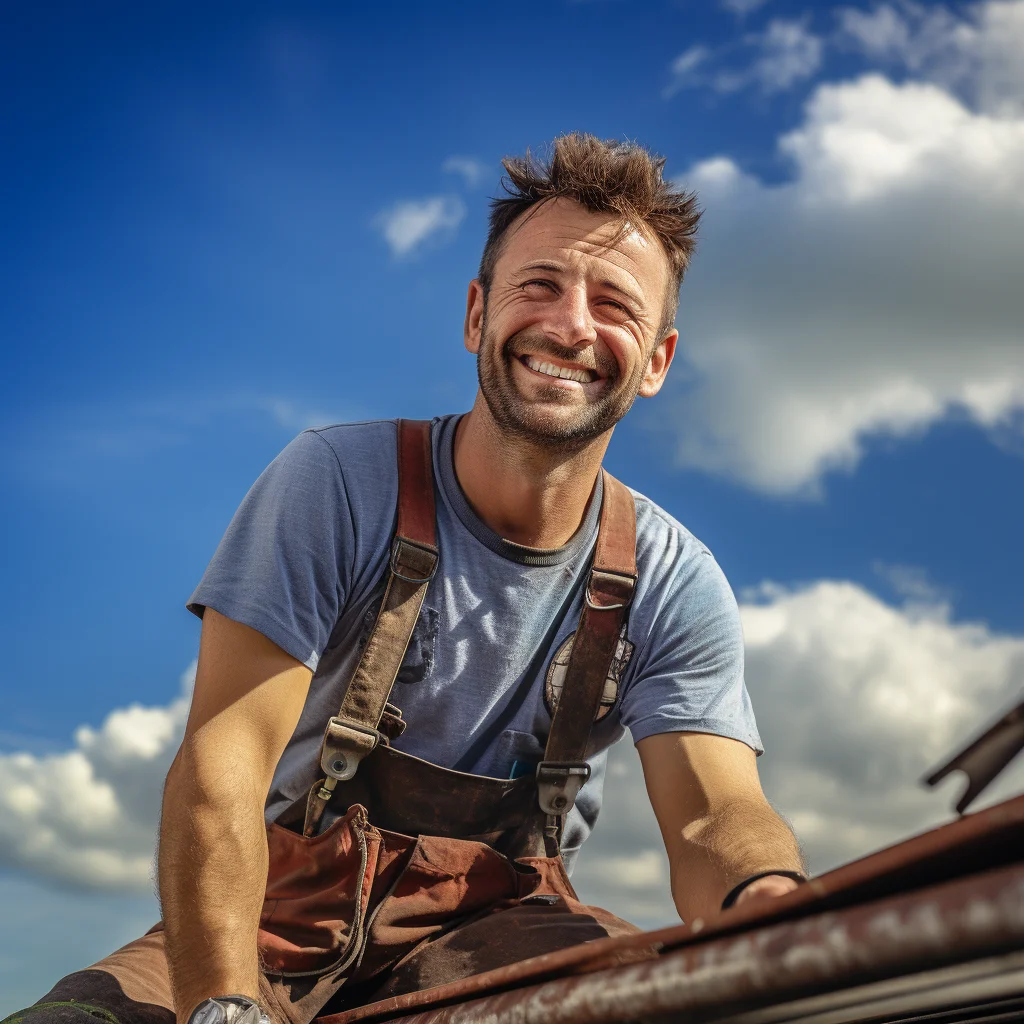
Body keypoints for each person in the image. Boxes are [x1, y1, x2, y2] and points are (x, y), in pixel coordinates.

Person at [23, 134, 804, 1024]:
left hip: (504, 931)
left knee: (621, 1005)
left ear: (657, 361)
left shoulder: (672, 577)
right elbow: (224, 762)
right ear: (477, 315)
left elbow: (714, 818)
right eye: (538, 284)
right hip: (270, 919)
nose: (570, 325)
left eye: (614, 303)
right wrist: (223, 1006)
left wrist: (772, 907)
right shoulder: (338, 481)